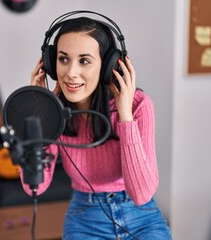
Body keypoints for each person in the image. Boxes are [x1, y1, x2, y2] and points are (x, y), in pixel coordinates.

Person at [24, 11, 172, 240]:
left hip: (141, 216)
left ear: (108, 66)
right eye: (63, 59)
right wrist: (41, 113)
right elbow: (35, 187)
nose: (71, 73)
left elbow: (141, 195)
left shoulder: (138, 106)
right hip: (85, 217)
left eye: (84, 61)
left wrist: (125, 117)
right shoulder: (53, 111)